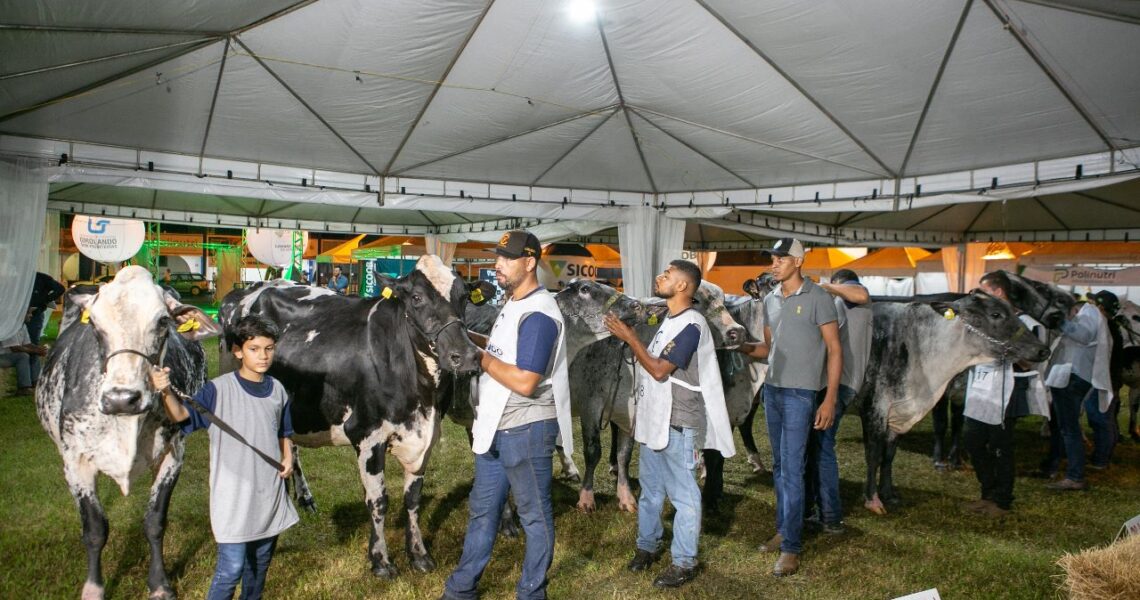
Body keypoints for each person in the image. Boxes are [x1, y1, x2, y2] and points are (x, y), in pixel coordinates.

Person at [443, 230, 573, 600]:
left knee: (534, 516)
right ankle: (461, 589)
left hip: (526, 428)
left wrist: (479, 357)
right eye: (497, 256)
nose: (497, 264)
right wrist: (467, 339)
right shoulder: (515, 302)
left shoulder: (539, 314)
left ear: (530, 262)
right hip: (497, 427)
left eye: (507, 258)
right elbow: (505, 352)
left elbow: (526, 380)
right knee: (482, 512)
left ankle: (532, 592)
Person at [603, 260, 735, 589]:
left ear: (682, 287)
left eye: (667, 275)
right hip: (655, 419)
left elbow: (661, 369)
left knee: (684, 495)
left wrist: (630, 337)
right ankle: (648, 545)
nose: (659, 277)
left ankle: (684, 561)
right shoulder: (669, 319)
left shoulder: (691, 324)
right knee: (650, 491)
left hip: (678, 421)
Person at [150, 315, 298, 600]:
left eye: (269, 348)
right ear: (238, 351)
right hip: (232, 496)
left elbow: (283, 430)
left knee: (259, 565)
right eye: (254, 349)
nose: (263, 355)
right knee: (231, 568)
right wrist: (165, 390)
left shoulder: (277, 390)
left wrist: (288, 456)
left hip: (268, 492)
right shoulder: (217, 390)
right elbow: (183, 417)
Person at [736, 237, 841, 577]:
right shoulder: (770, 299)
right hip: (774, 392)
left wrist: (829, 398)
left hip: (801, 394)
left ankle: (791, 547)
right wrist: (740, 345)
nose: (774, 263)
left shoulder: (819, 298)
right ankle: (785, 528)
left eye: (781, 258)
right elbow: (769, 349)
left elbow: (835, 351)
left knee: (793, 469)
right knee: (781, 468)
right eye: (773, 258)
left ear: (798, 261)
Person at [961, 271, 1048, 516]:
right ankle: (988, 490)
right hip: (980, 388)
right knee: (972, 441)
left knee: (1001, 445)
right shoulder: (985, 321)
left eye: (985, 292)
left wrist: (1009, 349)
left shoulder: (1027, 324)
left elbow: (1032, 362)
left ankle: (1002, 499)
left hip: (1008, 390)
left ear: (998, 292)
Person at [804, 268, 871, 534]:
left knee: (822, 448)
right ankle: (818, 508)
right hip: (845, 382)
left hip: (838, 384)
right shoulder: (850, 306)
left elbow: (862, 293)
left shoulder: (855, 295)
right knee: (818, 446)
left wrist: (825, 287)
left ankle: (830, 517)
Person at [1041, 293, 1113, 490]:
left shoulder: (1089, 312)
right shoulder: (1096, 319)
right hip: (1072, 376)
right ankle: (1058, 468)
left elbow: (1083, 335)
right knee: (1064, 428)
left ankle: (1075, 476)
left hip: (1071, 377)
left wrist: (1061, 322)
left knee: (1069, 429)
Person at [27, 271, 65, 376]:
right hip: (22, 313)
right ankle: (29, 375)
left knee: (33, 343)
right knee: (26, 344)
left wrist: (44, 300)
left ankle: (33, 376)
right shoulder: (20, 277)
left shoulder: (41, 278)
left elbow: (60, 289)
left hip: (35, 313)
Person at [1, 316, 47, 395]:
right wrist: (36, 350)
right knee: (22, 356)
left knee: (33, 354)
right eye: (29, 313)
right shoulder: (10, 326)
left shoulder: (23, 326)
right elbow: (15, 348)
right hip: (2, 356)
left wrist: (39, 349)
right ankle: (23, 388)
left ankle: (36, 383)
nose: (31, 315)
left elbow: (27, 344)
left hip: (9, 355)